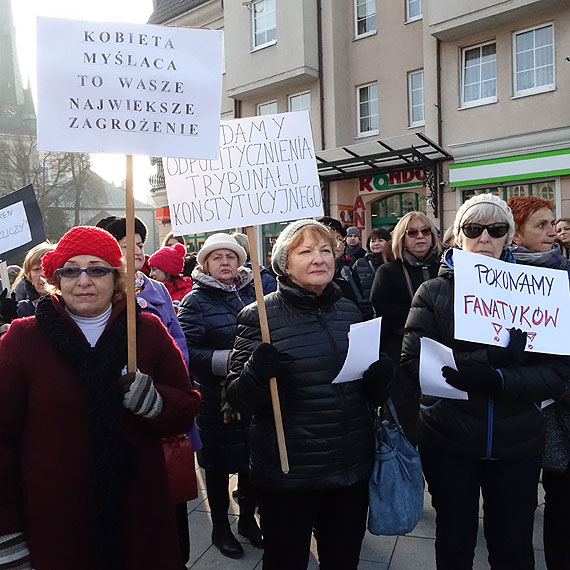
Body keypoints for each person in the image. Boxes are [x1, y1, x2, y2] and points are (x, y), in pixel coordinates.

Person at [0, 225, 200, 570]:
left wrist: (156, 402)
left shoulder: (146, 331)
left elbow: (186, 408)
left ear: (117, 277)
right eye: (70, 270)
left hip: (140, 515)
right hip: (56, 518)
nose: (83, 280)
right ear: (55, 279)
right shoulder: (24, 340)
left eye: (96, 269)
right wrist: (8, 535)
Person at [401, 194, 570, 570]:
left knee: (513, 548)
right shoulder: (432, 292)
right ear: (457, 237)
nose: (484, 239)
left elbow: (556, 373)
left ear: (509, 237)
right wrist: (485, 359)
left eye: (496, 230)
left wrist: (498, 379)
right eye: (473, 229)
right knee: (455, 542)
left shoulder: (539, 292)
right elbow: (414, 364)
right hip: (450, 439)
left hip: (518, 442)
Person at [225, 219, 395, 570]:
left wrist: (379, 380)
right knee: (287, 560)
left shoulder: (350, 310)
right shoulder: (259, 316)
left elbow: (365, 395)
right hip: (291, 475)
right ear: (284, 264)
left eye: (325, 250)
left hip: (349, 468)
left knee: (343, 559)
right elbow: (239, 399)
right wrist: (257, 371)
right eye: (305, 252)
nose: (319, 259)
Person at [96, 216, 191, 565]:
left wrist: (168, 384)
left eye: (138, 243)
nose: (135, 249)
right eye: (125, 244)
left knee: (172, 508)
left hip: (160, 411)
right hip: (116, 419)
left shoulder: (157, 290)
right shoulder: (94, 293)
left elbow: (178, 343)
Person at [177, 233, 260, 559]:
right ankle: (221, 526)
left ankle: (248, 519)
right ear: (206, 264)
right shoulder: (194, 301)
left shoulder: (253, 292)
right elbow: (186, 350)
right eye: (217, 257)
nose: (224, 263)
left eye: (230, 256)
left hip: (253, 391)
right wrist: (226, 360)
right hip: (216, 397)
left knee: (253, 460)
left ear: (239, 261)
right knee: (217, 464)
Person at [507, 196, 570, 570]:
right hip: (531, 409)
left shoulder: (564, 272)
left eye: (553, 223)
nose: (553, 232)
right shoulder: (502, 282)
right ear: (516, 232)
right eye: (542, 225)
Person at [370, 211, 442, 363]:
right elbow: (383, 309)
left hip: (443, 347)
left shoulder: (445, 267)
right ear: (402, 238)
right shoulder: (388, 271)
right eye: (412, 232)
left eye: (425, 230)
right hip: (402, 349)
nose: (420, 236)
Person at [318, 216, 373, 320]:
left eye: (339, 238)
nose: (336, 244)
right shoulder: (310, 278)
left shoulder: (349, 274)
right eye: (329, 238)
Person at [10, 243, 55, 317]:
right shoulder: (24, 309)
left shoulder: (73, 303)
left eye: (48, 267)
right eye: (36, 269)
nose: (43, 274)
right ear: (29, 277)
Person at [148, 243, 193, 312]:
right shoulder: (152, 290)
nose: (150, 274)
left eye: (154, 269)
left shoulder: (187, 294)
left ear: (167, 270)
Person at [352, 227, 391, 300]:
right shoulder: (360, 263)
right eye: (373, 241)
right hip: (367, 308)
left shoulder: (394, 262)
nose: (376, 244)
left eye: (380, 240)